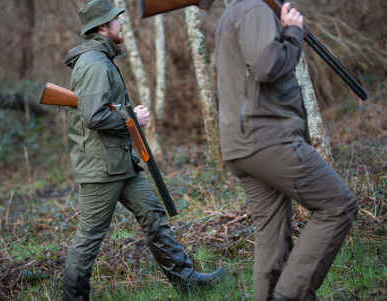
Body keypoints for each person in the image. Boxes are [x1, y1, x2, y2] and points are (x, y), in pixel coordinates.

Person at [61, 1, 225, 300]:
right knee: (88, 240)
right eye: (115, 20)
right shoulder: (94, 64)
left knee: (154, 216)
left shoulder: (101, 59)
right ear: (102, 28)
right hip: (101, 168)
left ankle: (187, 281)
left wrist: (127, 118)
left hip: (121, 162)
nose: (121, 23)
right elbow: (93, 117)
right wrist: (133, 119)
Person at [215, 1, 358, 300]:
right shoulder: (254, 8)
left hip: (243, 145)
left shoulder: (236, 11)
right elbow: (267, 65)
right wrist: (293, 33)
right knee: (338, 204)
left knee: (272, 234)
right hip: (267, 138)